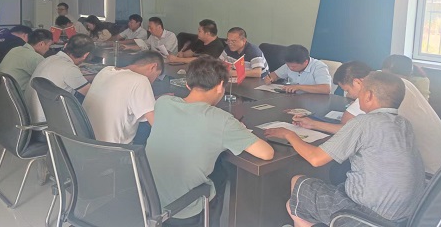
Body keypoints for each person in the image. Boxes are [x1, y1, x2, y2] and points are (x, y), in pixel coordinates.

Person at [265, 71, 425, 227]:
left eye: (361, 91)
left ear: (369, 96)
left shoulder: (364, 122)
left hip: (366, 216)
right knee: (297, 203)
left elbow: (316, 159)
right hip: (403, 216)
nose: (355, 97)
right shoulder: (404, 124)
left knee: (297, 184)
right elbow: (354, 133)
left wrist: (289, 134)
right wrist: (313, 124)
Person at [146, 56, 274, 227]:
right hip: (184, 209)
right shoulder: (221, 120)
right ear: (221, 86)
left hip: (149, 199)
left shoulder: (163, 103)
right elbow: (266, 153)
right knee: (220, 174)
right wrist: (236, 129)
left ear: (187, 84)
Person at [293, 60, 441, 175]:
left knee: (341, 168)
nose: (348, 95)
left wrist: (313, 124)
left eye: (348, 90)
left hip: (427, 174)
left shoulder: (375, 91)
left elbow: (347, 127)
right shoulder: (396, 83)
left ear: (358, 83)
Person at [83, 51, 163, 144]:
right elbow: (154, 123)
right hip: (113, 147)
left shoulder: (106, 71)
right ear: (153, 67)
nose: (153, 81)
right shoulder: (140, 80)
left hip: (85, 141)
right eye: (157, 76)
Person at [24, 34, 94, 123]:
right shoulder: (69, 68)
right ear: (86, 55)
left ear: (65, 45)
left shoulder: (49, 59)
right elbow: (92, 94)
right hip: (48, 121)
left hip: (31, 115)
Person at [264, 44, 331, 94]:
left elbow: (326, 89)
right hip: (294, 98)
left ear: (305, 62)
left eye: (294, 66)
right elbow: (275, 75)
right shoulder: (290, 64)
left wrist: (299, 87)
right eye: (288, 65)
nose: (290, 68)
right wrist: (270, 78)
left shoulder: (319, 67)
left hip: (314, 101)